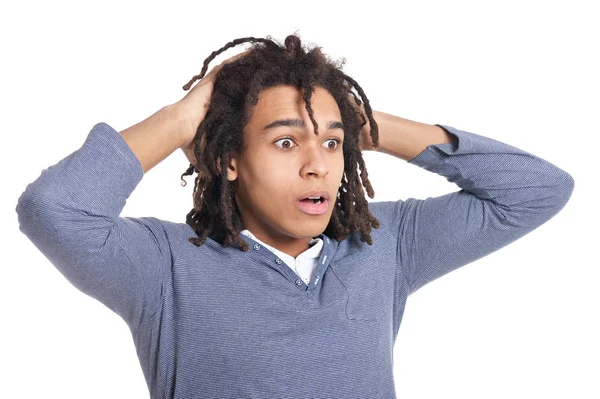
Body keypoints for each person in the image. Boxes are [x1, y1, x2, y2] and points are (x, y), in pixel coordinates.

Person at [15, 34, 575, 398]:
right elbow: (54, 210)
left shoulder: (384, 245)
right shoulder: (164, 267)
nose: (318, 167)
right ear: (229, 159)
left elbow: (537, 190)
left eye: (332, 147)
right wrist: (184, 119)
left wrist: (366, 126)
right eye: (286, 143)